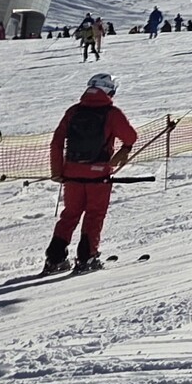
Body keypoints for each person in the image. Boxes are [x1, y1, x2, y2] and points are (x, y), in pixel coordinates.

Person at [45, 72, 137, 274]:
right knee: (94, 215)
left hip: (71, 173)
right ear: (109, 91)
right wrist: (125, 150)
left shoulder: (73, 111)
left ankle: (54, 259)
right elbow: (130, 136)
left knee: (70, 215)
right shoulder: (112, 113)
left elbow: (56, 142)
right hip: (99, 174)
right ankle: (87, 258)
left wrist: (57, 171)